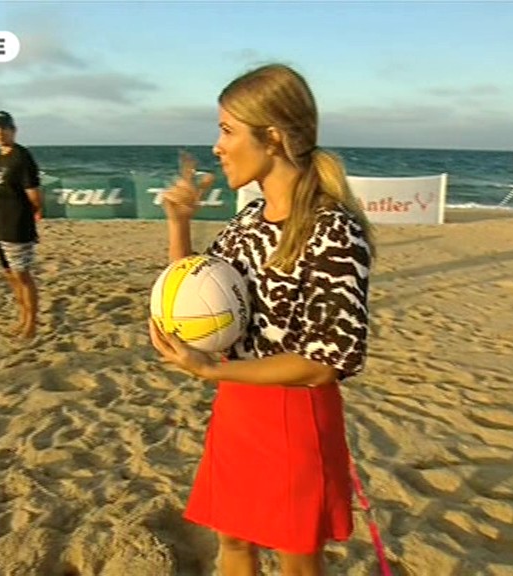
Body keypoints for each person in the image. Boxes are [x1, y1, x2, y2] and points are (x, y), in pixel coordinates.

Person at [148, 64, 375, 576]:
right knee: (233, 543)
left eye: (227, 130)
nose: (217, 147)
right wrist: (178, 224)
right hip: (238, 404)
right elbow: (196, 296)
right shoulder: (248, 221)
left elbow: (329, 360)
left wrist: (211, 370)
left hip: (294, 414)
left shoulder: (332, 229)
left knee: (296, 559)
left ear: (271, 137)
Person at [0, 110, 42, 339]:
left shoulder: (22, 157)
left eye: (4, 127)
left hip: (18, 226)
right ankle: (22, 317)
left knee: (23, 276)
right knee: (9, 275)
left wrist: (26, 218)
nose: (0, 132)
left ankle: (31, 323)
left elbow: (35, 198)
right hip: (0, 226)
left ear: (13, 130)